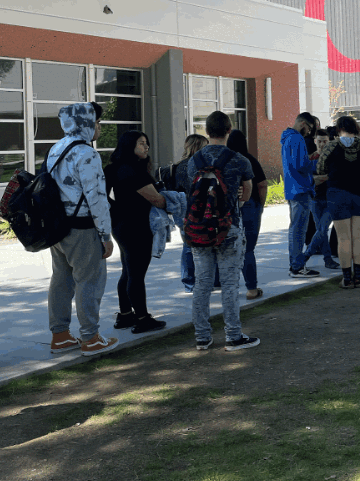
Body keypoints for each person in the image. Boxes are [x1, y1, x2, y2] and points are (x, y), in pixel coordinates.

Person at [46, 102, 117, 356]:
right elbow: (96, 198)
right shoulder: (87, 153)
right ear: (86, 123)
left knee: (61, 281)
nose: (99, 127)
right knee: (89, 281)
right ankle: (90, 338)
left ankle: (61, 335)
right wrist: (105, 236)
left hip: (59, 228)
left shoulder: (56, 148)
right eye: (96, 122)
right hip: (84, 228)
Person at [187, 111, 259, 351]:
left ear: (206, 132)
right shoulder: (239, 160)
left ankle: (202, 337)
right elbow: (247, 192)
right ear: (229, 130)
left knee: (202, 283)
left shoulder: (194, 161)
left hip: (199, 229)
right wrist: (236, 202)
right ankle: (233, 335)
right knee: (229, 284)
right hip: (229, 227)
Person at [104, 130, 168, 334]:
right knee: (136, 273)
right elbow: (156, 199)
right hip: (136, 227)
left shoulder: (113, 168)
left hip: (121, 225)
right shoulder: (133, 170)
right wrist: (173, 201)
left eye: (146, 143)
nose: (146, 146)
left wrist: (116, 209)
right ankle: (142, 318)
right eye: (141, 143)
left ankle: (125, 315)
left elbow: (102, 196)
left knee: (129, 271)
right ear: (129, 146)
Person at [317, 115, 360, 288]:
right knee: (358, 237)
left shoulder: (331, 146)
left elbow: (320, 167)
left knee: (344, 238)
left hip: (338, 194)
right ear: (356, 129)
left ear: (338, 129)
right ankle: (358, 277)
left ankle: (346, 278)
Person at [226, 129, 269, 300]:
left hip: (227, 207)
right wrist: (261, 205)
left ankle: (219, 283)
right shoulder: (249, 160)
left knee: (225, 247)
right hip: (250, 205)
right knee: (248, 248)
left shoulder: (223, 160)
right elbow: (263, 184)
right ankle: (251, 288)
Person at [280, 113, 320, 278]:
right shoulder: (297, 139)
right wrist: (318, 162)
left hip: (292, 188)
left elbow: (296, 163)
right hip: (301, 189)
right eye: (309, 128)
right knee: (298, 230)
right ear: (303, 123)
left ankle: (295, 265)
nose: (309, 133)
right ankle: (297, 266)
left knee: (295, 229)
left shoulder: (287, 138)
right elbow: (301, 165)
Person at [170, 133, 208, 292]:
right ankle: (193, 280)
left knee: (188, 244)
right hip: (193, 207)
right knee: (198, 245)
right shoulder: (197, 166)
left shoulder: (178, 166)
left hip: (179, 208)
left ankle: (189, 281)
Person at [304, 129, 340, 271]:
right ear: (315, 141)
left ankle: (305, 256)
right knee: (321, 230)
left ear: (329, 141)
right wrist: (325, 177)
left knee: (323, 228)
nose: (322, 144)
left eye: (324, 141)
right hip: (315, 199)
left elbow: (336, 177)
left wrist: (317, 179)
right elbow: (307, 181)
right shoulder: (310, 158)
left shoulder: (334, 158)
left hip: (331, 199)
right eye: (319, 141)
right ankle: (327, 259)